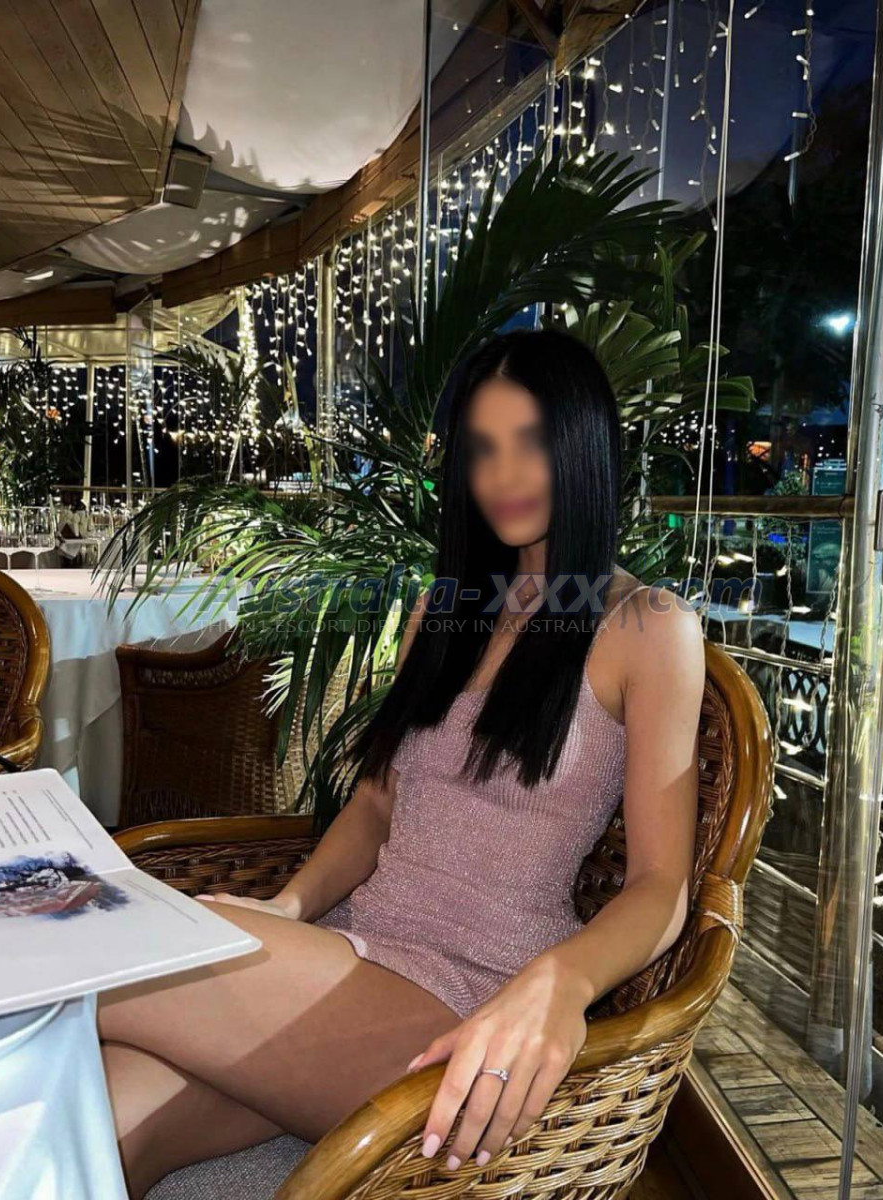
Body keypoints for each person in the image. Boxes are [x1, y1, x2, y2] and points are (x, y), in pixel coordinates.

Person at [98, 328, 706, 1198]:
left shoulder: (648, 628)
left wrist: (559, 983)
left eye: (530, 442)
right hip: (353, 949)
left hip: (467, 996)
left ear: (583, 445)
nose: (503, 474)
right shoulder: (445, 609)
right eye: (482, 449)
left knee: (103, 947)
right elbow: (378, 805)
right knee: (99, 1121)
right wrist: (288, 908)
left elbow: (661, 885)